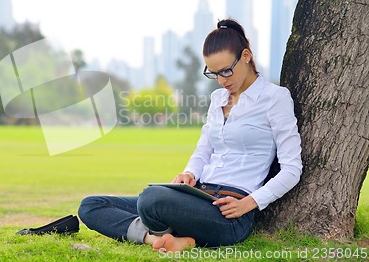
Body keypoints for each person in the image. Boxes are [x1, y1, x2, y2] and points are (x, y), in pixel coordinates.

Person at [78, 19, 302, 252]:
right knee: (91, 205)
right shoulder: (218, 100)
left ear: (246, 56)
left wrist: (249, 203)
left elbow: (292, 168)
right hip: (196, 196)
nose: (222, 81)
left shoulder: (275, 98)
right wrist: (189, 173)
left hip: (230, 212)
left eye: (226, 71)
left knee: (150, 199)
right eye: (214, 74)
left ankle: (169, 231)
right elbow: (204, 148)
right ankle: (160, 240)